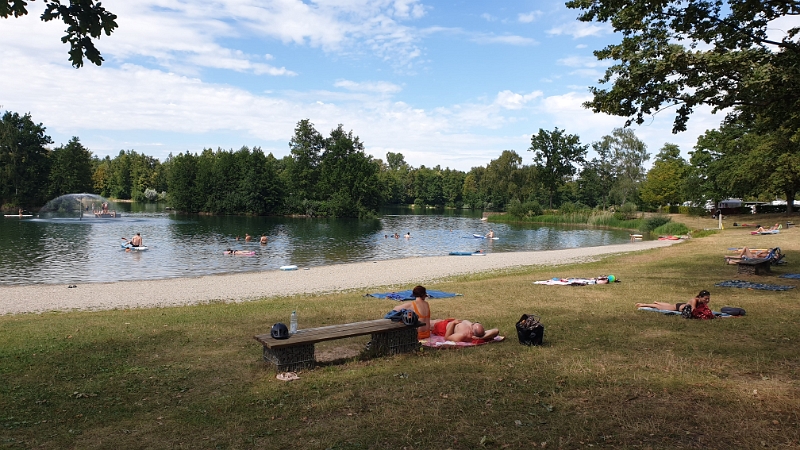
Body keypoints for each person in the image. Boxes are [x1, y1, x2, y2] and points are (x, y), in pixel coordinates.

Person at [635, 289, 715, 320]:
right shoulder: (694, 300)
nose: (707, 300)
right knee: (660, 308)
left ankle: (657, 302)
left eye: (708, 299)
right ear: (700, 297)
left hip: (682, 305)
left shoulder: (701, 302)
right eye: (705, 299)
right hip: (678, 307)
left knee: (669, 305)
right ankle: (644, 304)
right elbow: (694, 310)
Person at [429, 318, 500, 343]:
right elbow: (496, 331)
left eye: (473, 325)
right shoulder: (481, 333)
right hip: (450, 322)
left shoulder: (463, 335)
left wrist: (453, 323)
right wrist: (482, 337)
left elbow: (447, 337)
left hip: (444, 327)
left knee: (428, 323)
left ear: (472, 332)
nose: (472, 324)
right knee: (436, 320)